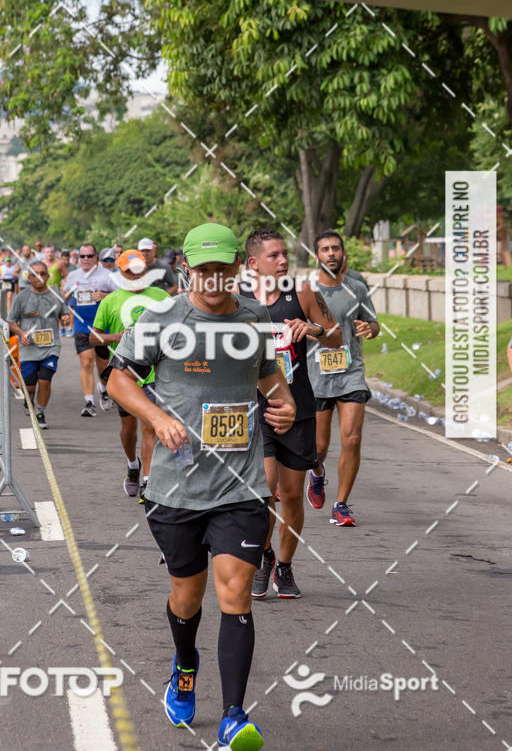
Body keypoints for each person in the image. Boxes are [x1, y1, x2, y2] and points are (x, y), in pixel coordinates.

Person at [107, 223, 295, 750]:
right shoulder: (162, 318)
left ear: (238, 267)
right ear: (188, 268)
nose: (214, 278)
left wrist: (286, 403)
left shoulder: (254, 318)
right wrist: (156, 415)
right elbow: (118, 379)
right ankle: (184, 665)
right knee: (187, 597)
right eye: (204, 268)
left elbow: (269, 374)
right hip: (176, 487)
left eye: (223, 268)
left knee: (235, 594)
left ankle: (235, 714)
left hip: (241, 486)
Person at [239, 228, 342, 600]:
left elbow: (337, 337)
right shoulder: (236, 299)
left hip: (296, 405)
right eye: (274, 256)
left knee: (293, 495)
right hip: (255, 407)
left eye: (284, 254)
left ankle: (284, 564)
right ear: (253, 263)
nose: (283, 260)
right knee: (265, 489)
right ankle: (263, 556)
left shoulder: (301, 292)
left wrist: (313, 328)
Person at [307, 230, 379, 527]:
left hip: (351, 373)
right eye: (325, 249)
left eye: (336, 248)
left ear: (343, 253)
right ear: (317, 257)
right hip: (317, 375)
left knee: (352, 437)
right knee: (318, 448)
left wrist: (370, 329)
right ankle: (317, 473)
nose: (331, 253)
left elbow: (374, 324)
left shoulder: (357, 288)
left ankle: (341, 504)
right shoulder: (305, 291)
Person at [90, 249, 169, 499]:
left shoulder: (162, 297)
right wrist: (118, 337)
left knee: (150, 425)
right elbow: (94, 337)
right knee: (128, 430)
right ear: (121, 273)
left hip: (156, 373)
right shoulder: (110, 301)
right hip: (124, 376)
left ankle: (148, 481)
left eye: (140, 271)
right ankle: (132, 465)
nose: (136, 276)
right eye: (129, 272)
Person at [7, 260, 70, 429]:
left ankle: (40, 411)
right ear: (29, 277)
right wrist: (21, 333)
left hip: (51, 345)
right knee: (28, 385)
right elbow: (11, 321)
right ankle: (29, 401)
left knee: (45, 380)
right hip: (29, 346)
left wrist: (65, 318)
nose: (39, 277)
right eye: (35, 274)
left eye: (43, 273)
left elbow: (65, 314)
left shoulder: (56, 295)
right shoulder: (21, 297)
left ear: (48, 276)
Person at [63, 243, 118, 416]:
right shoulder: (73, 276)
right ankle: (89, 402)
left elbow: (120, 297)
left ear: (96, 258)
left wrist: (104, 296)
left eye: (89, 256)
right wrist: (65, 313)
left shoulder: (107, 276)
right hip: (81, 324)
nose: (86, 259)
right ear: (78, 258)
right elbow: (66, 296)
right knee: (86, 362)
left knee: (103, 365)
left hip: (103, 326)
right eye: (82, 256)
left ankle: (103, 388)